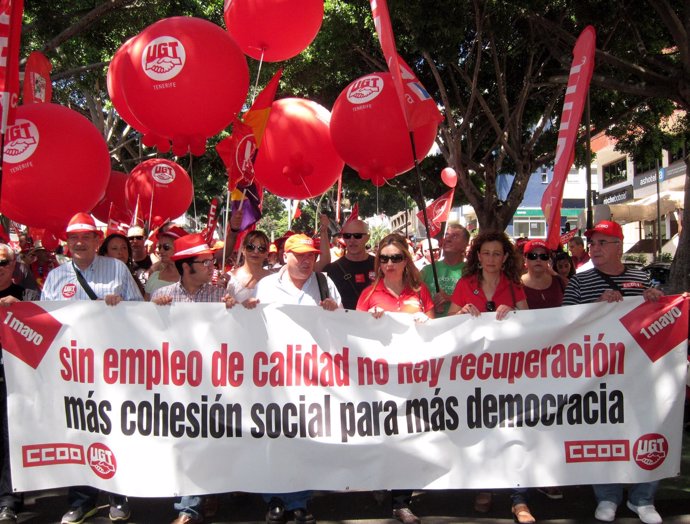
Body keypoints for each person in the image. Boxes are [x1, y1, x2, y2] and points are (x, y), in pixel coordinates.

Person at [41, 213, 142, 524]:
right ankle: (81, 500)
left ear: (98, 241)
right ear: (67, 242)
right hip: (73, 370)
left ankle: (119, 495)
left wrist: (121, 306)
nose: (80, 242)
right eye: (74, 237)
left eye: (86, 236)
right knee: (79, 431)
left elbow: (140, 310)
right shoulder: (56, 277)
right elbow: (44, 321)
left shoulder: (117, 268)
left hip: (111, 369)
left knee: (113, 428)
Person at [562, 220, 664, 524]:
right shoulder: (581, 282)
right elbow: (566, 323)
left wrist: (655, 300)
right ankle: (607, 496)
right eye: (592, 244)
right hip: (600, 372)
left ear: (619, 245)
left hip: (640, 370)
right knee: (603, 430)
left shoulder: (641, 276)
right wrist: (596, 306)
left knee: (649, 427)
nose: (594, 249)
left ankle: (642, 498)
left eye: (602, 243)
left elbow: (660, 314)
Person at [255, 233, 341, 524]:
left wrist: (333, 311)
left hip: (312, 375)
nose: (307, 261)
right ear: (284, 256)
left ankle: (299, 501)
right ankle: (276, 500)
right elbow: (252, 324)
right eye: (300, 255)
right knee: (276, 436)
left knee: (303, 437)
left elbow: (342, 326)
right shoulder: (266, 286)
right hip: (275, 375)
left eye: (311, 255)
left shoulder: (324, 283)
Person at [149, 234, 235, 524]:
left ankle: (188, 509)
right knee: (184, 441)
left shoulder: (219, 295)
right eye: (205, 262)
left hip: (211, 384)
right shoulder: (163, 297)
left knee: (202, 439)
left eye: (211, 261)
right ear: (186, 267)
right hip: (175, 386)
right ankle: (195, 498)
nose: (212, 266)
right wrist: (154, 314)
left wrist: (237, 311)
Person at [447, 231, 530, 522]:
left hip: (509, 374)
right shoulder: (464, 284)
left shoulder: (514, 286)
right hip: (475, 376)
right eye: (486, 253)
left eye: (497, 253)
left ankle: (519, 499)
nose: (492, 259)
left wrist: (515, 314)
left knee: (514, 431)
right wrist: (461, 314)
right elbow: (446, 323)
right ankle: (485, 489)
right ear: (478, 257)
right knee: (482, 431)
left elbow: (531, 323)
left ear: (505, 257)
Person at [356, 233, 434, 524]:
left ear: (406, 260)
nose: (390, 263)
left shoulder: (420, 290)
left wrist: (426, 320)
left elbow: (435, 328)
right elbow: (355, 335)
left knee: (408, 436)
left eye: (396, 258)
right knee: (382, 434)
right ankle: (380, 481)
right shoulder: (368, 294)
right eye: (384, 258)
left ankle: (401, 501)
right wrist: (369, 321)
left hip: (413, 376)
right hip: (379, 379)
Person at [0, 244, 25, 524]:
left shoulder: (27, 296)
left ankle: (8, 500)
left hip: (15, 379)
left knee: (10, 438)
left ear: (14, 264)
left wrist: (23, 311)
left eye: (3, 263)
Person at [323, 219, 375, 310]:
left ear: (367, 237)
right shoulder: (331, 270)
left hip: (375, 321)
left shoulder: (380, 266)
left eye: (357, 236)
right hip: (343, 322)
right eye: (347, 236)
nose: (352, 240)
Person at [420, 223, 469, 317]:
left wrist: (449, 298)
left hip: (459, 326)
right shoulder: (426, 270)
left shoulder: (471, 271)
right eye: (447, 235)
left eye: (455, 236)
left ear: (465, 245)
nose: (448, 239)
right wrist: (430, 304)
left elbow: (478, 301)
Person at [226, 231, 272, 308]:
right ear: (243, 250)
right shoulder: (228, 278)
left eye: (262, 248)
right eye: (250, 247)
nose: (256, 252)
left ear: (267, 253)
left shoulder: (274, 278)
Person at [520, 239, 566, 310]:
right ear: (525, 259)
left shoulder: (558, 281)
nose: (538, 260)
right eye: (533, 256)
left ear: (548, 259)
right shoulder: (516, 285)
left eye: (543, 256)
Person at [144, 224, 187, 299]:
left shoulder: (192, 278)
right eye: (159, 247)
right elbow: (145, 306)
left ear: (180, 248)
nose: (160, 251)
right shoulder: (154, 276)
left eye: (166, 247)